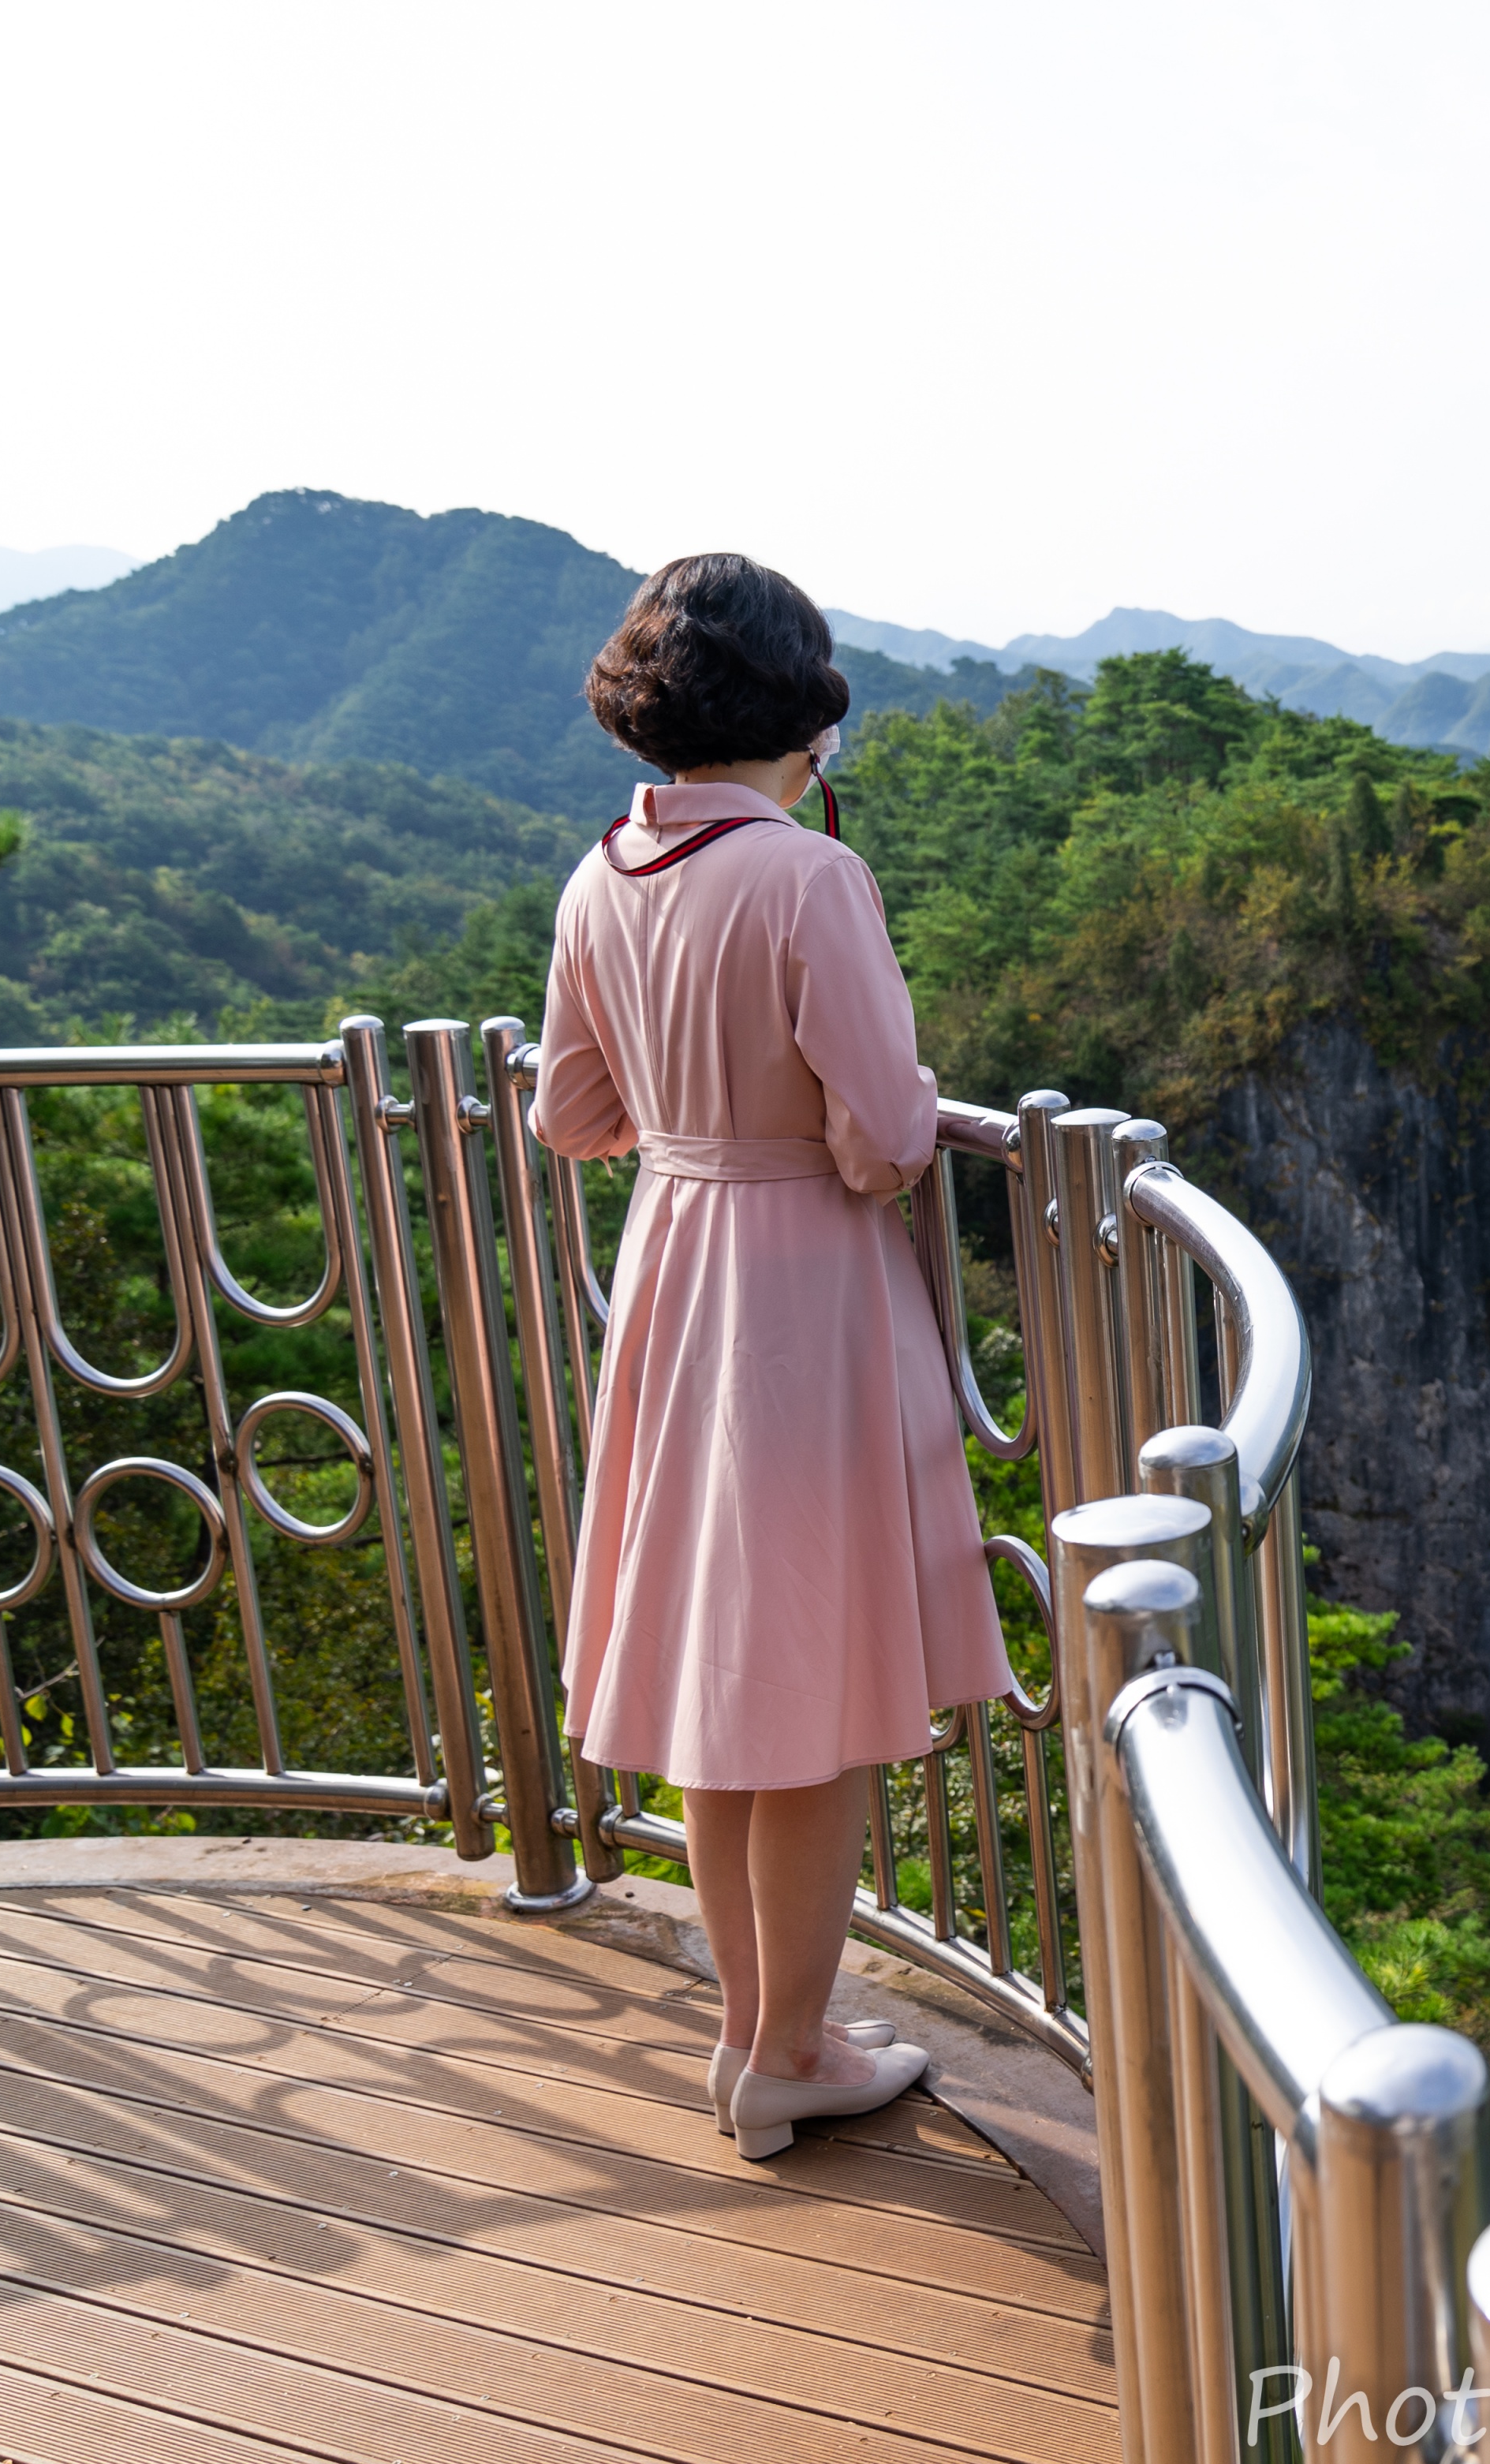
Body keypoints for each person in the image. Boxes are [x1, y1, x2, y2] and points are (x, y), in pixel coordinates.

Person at [534, 554, 1014, 2160]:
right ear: (807, 710)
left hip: (674, 1277)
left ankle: (757, 2037)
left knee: (728, 1683)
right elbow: (883, 1140)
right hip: (801, 1292)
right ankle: (788, 2048)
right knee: (807, 1690)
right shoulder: (809, 878)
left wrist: (696, 1120)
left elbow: (570, 1115)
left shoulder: (602, 875)